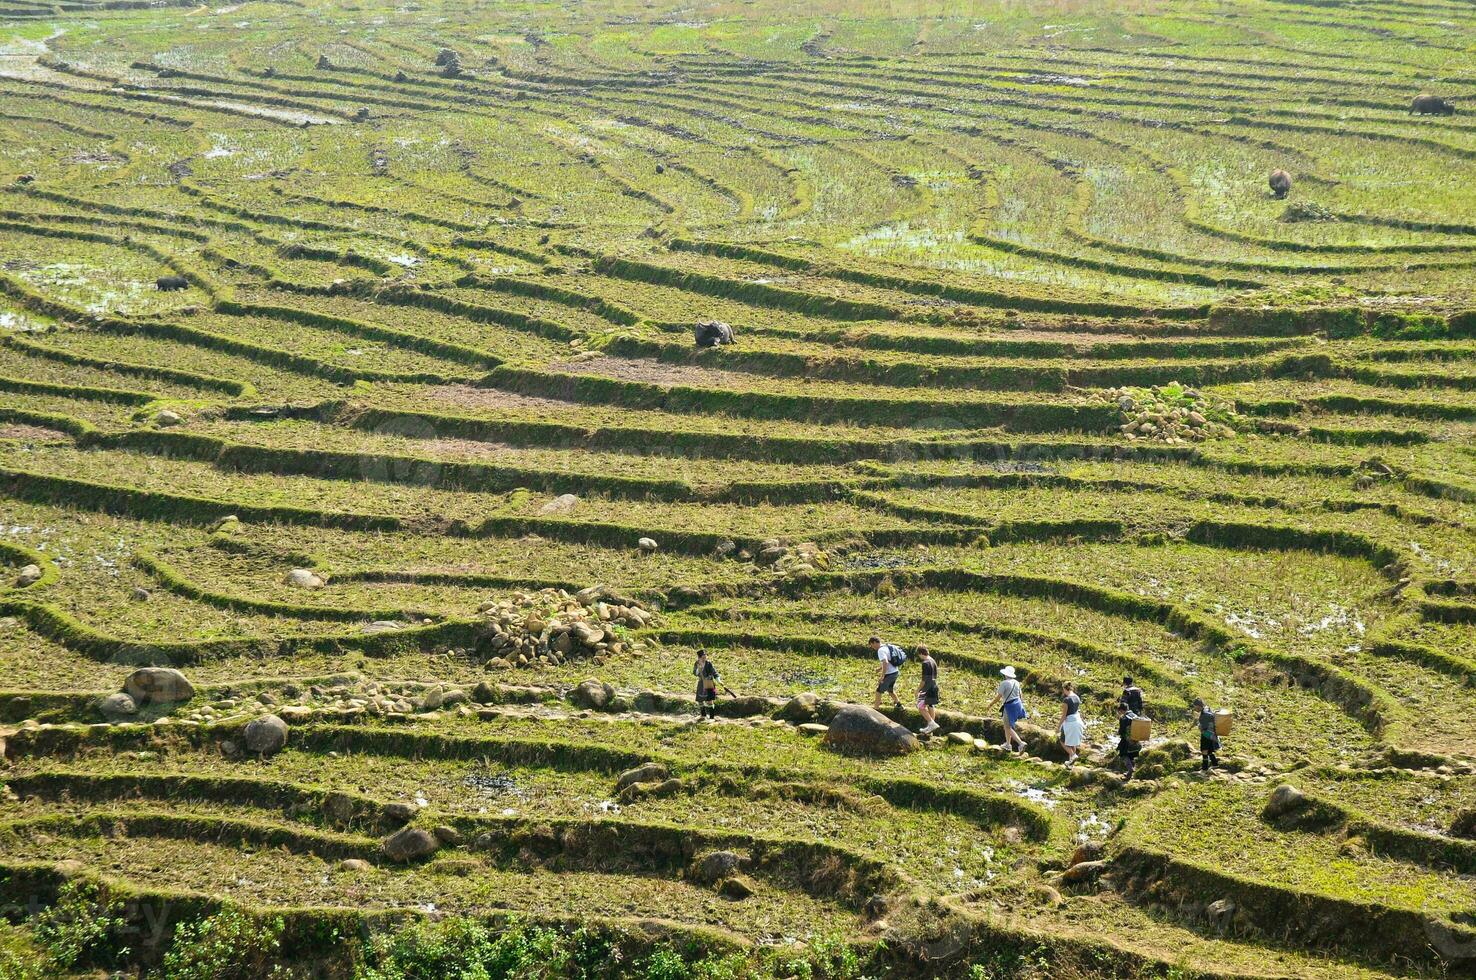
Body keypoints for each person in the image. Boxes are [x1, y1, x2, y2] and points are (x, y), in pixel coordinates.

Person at [986, 665, 1028, 752]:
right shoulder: (1017, 683)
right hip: (1017, 704)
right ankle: (1008, 744)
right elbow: (1021, 695)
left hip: (1009, 706)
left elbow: (998, 697)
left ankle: (1020, 743)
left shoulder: (1004, 683)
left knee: (1007, 727)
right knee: (1008, 726)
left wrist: (990, 704)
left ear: (1005, 674)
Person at [869, 635, 905, 710]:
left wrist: (882, 676)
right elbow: (888, 661)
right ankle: (899, 705)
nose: (872, 648)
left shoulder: (880, 650)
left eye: (872, 645)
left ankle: (876, 709)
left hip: (889, 674)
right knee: (890, 690)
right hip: (895, 672)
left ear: (875, 642)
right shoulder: (886, 647)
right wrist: (879, 668)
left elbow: (885, 662)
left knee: (879, 691)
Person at [915, 645, 940, 734]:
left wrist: (917, 690)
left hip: (927, 688)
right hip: (934, 686)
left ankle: (931, 723)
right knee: (930, 705)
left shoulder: (925, 663)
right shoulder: (932, 660)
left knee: (920, 706)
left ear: (921, 653)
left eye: (919, 655)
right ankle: (931, 727)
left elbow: (924, 680)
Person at [1058, 681, 1084, 766]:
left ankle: (1073, 755)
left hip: (1070, 723)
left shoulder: (1066, 700)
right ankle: (1070, 764)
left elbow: (1064, 716)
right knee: (1073, 743)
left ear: (1065, 689)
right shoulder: (1077, 697)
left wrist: (1058, 727)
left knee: (1062, 741)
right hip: (1077, 721)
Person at [1193, 697, 1221, 772]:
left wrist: (1200, 727)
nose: (1194, 708)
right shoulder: (1207, 709)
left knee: (1204, 751)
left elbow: (1204, 726)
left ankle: (1204, 768)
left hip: (1206, 735)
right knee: (1209, 751)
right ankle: (1215, 764)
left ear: (1198, 706)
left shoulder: (1204, 715)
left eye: (1195, 706)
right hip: (1212, 735)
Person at [1116, 700, 1141, 779]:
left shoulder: (1124, 718)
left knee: (1123, 755)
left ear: (1121, 710)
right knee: (1132, 756)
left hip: (1127, 740)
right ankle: (1131, 771)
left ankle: (1130, 771)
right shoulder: (1135, 715)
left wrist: (1119, 733)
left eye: (1119, 711)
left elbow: (1122, 731)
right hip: (1136, 740)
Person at [693, 649, 720, 720]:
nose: (704, 658)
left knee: (710, 701)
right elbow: (695, 673)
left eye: (705, 656)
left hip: (709, 683)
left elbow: (714, 672)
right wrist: (699, 669)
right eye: (703, 657)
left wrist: (718, 679)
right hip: (701, 683)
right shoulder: (697, 663)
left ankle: (712, 717)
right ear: (699, 657)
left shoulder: (708, 663)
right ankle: (703, 715)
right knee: (700, 700)